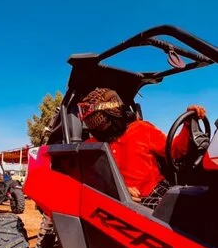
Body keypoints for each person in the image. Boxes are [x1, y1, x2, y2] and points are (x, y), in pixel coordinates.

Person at [78, 87, 206, 209]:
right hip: (121, 202)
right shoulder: (91, 146)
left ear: (115, 114)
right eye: (93, 123)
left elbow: (175, 150)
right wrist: (116, 190)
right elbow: (85, 182)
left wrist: (187, 125)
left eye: (100, 121)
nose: (98, 128)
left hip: (156, 191)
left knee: (191, 208)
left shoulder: (141, 129)